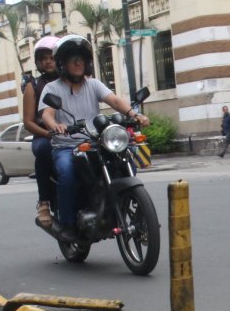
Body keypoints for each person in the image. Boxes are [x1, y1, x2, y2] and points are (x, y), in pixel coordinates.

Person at [39, 35, 149, 239]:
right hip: (67, 145)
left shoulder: (93, 85)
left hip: (95, 142)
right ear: (63, 63)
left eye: (81, 58)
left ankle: (132, 211)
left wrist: (135, 115)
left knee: (126, 161)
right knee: (67, 172)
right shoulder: (52, 88)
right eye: (73, 59)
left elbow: (115, 100)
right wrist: (56, 125)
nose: (78, 63)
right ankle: (68, 224)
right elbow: (47, 113)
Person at [22, 35, 60, 228]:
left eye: (52, 56)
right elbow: (28, 122)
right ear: (38, 62)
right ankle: (44, 202)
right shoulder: (34, 86)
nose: (48, 61)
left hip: (72, 133)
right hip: (45, 135)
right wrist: (48, 134)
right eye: (43, 58)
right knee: (44, 150)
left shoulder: (72, 80)